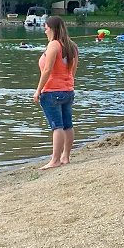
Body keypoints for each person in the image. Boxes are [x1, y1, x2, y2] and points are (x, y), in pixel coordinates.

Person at [32, 15, 77, 171]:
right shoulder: (72, 46)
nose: (45, 31)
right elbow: (73, 71)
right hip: (68, 90)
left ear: (52, 29)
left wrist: (38, 90)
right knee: (68, 125)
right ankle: (66, 156)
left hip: (52, 91)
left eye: (46, 28)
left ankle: (55, 160)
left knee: (56, 126)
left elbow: (47, 70)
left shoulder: (54, 45)